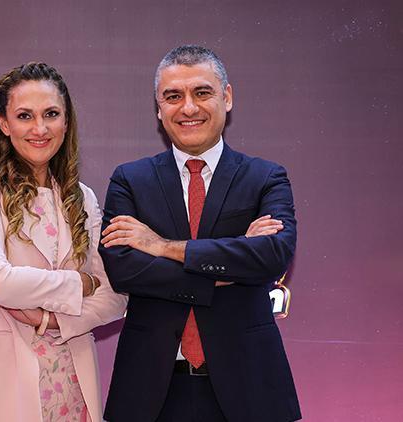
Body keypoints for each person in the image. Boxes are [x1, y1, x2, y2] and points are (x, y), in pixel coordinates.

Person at [99, 45, 301, 421]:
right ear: (159, 108)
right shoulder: (129, 180)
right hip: (149, 393)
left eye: (202, 92)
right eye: (173, 96)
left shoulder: (265, 177)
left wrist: (161, 247)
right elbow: (124, 269)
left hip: (251, 390)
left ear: (227, 97)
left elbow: (271, 256)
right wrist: (232, 264)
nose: (188, 108)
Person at [0, 62, 127, 422]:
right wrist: (81, 284)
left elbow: (115, 296)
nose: (40, 129)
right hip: (2, 386)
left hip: (74, 389)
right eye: (25, 116)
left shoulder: (82, 198)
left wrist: (53, 320)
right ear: (4, 123)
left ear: (66, 121)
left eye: (51, 114)